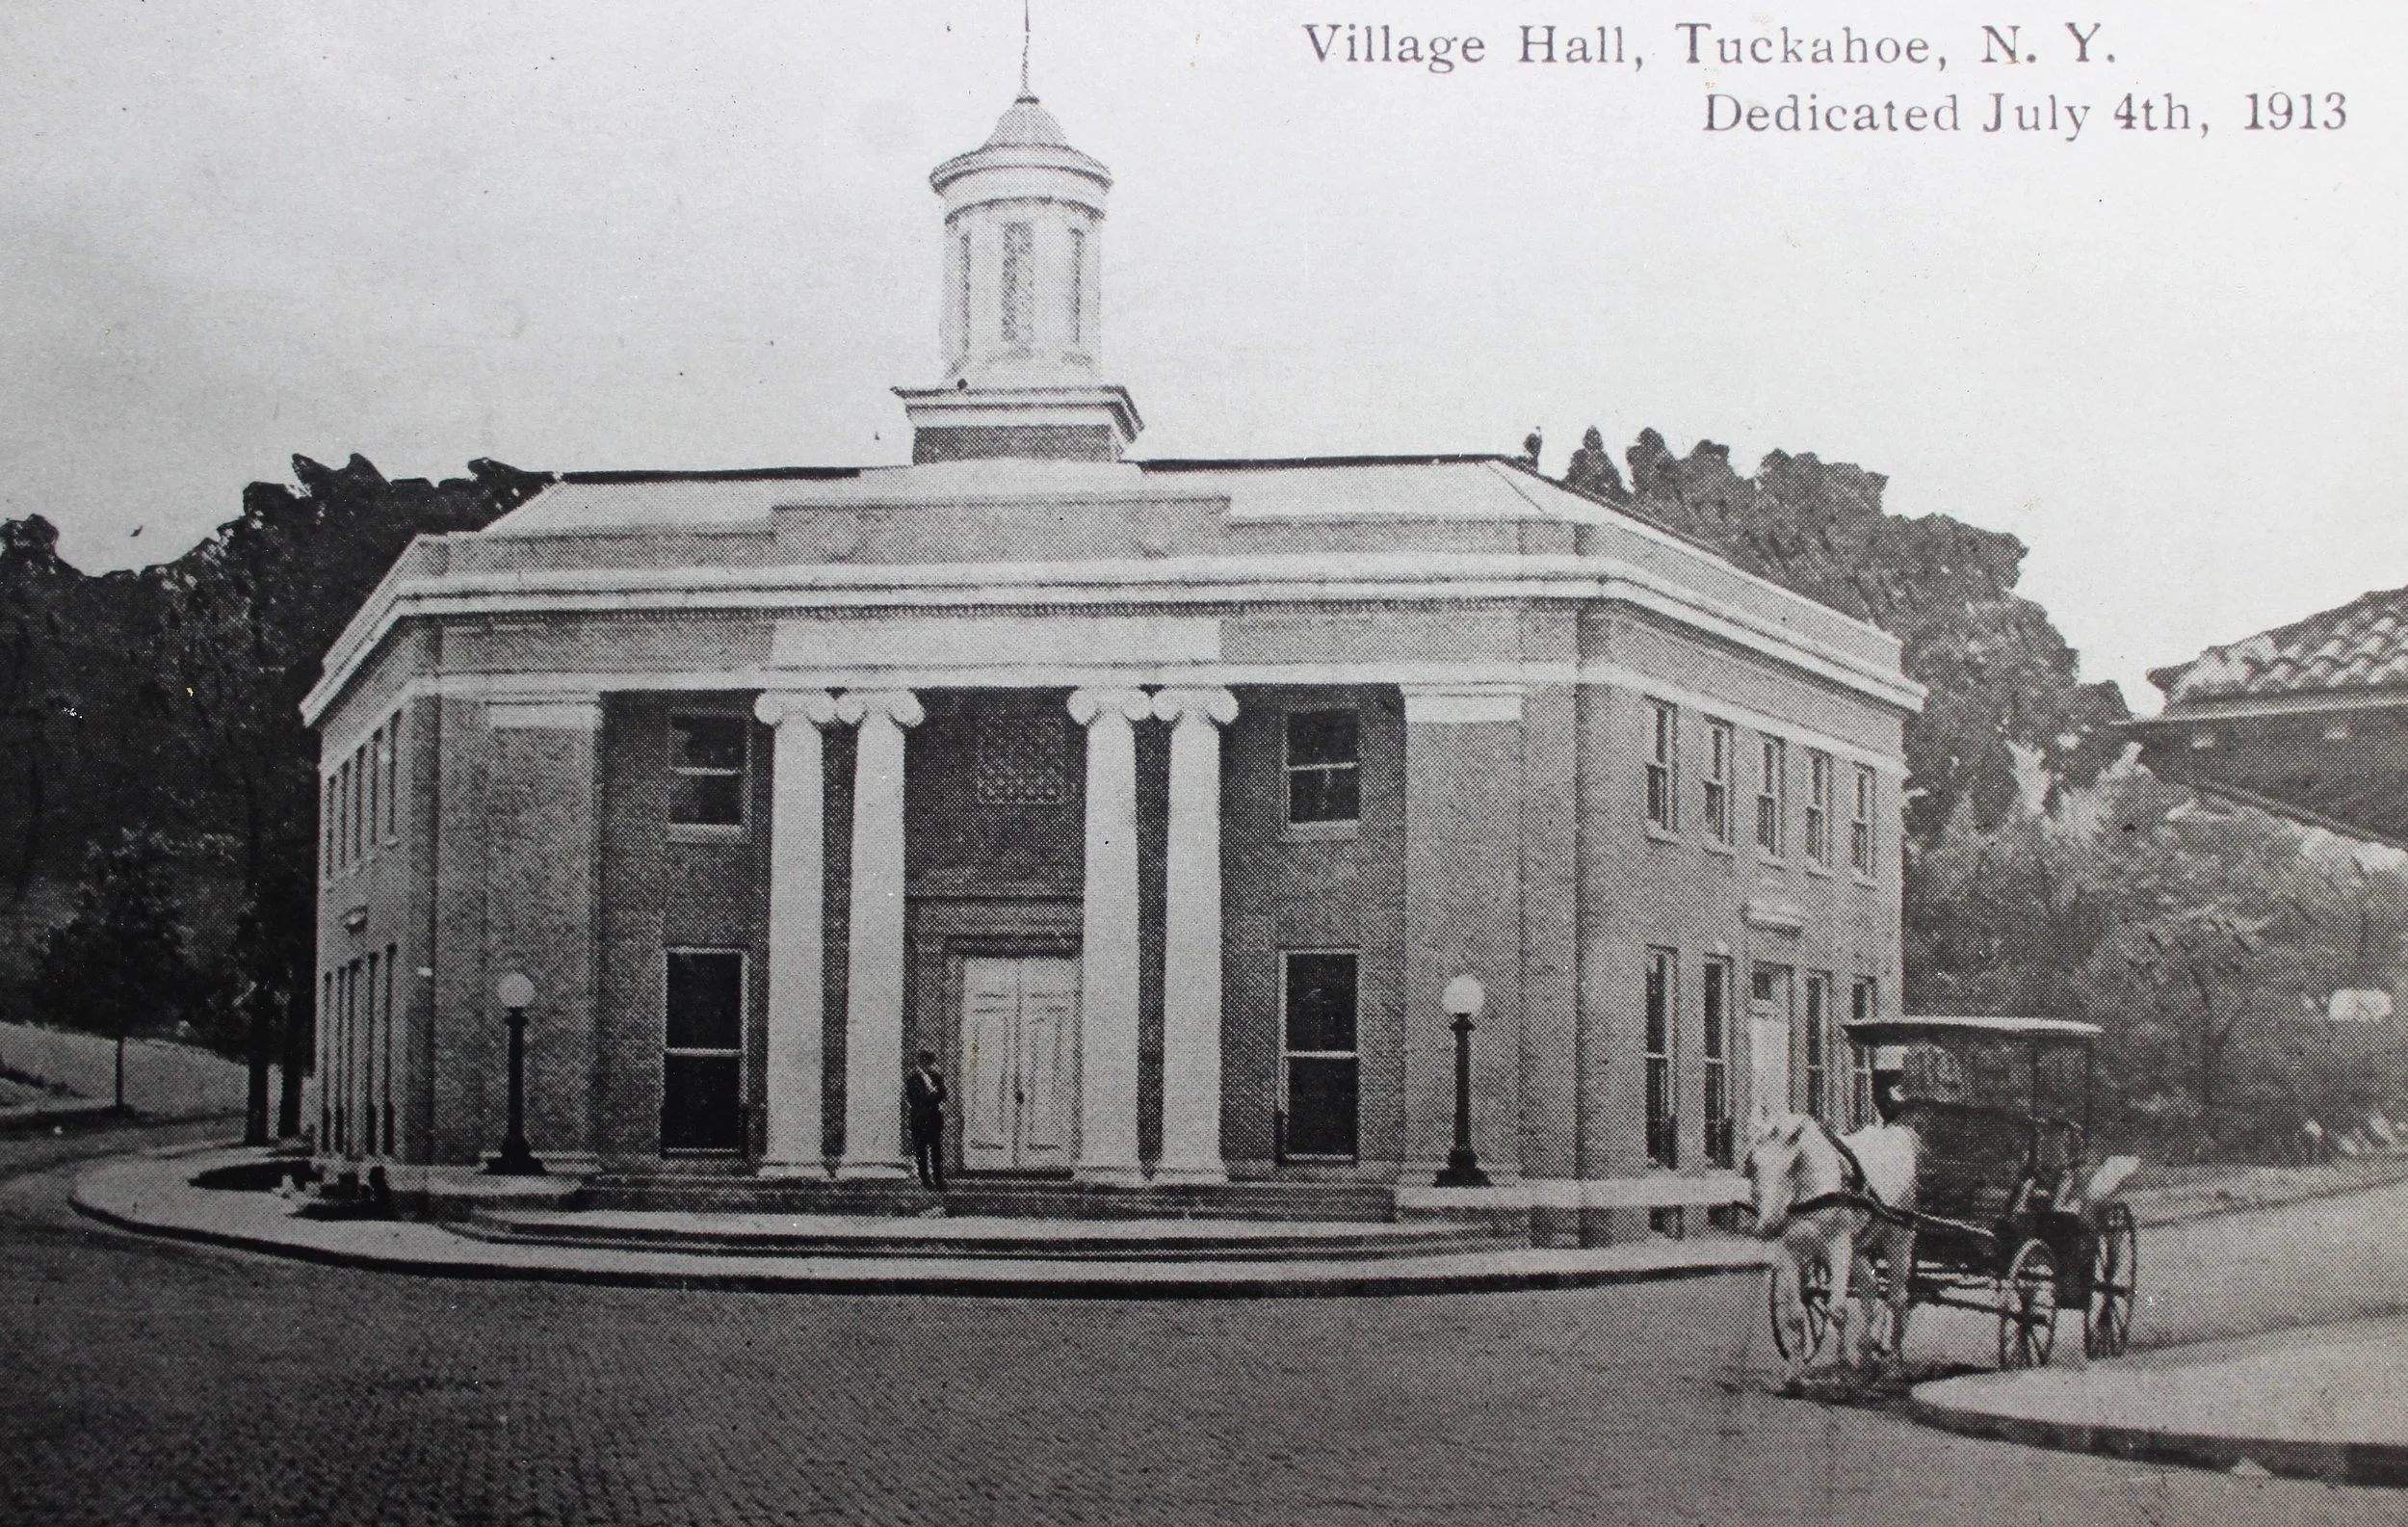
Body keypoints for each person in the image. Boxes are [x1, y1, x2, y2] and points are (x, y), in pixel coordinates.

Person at [905, 1050, 948, 1191]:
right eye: (923, 1062)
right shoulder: (913, 1079)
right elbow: (915, 1099)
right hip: (919, 1119)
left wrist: (932, 1096)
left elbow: (943, 1094)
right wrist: (932, 1097)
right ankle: (925, 1179)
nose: (926, 1065)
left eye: (929, 1062)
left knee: (936, 1150)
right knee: (921, 1151)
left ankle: (938, 1178)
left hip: (934, 1119)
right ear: (919, 1063)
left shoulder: (936, 1077)